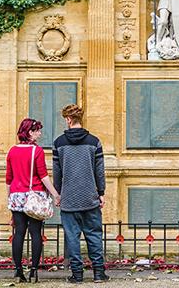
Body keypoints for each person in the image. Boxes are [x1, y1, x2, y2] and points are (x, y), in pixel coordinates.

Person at [52, 104, 109, 283]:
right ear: (80, 118)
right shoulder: (94, 142)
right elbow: (99, 170)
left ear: (68, 119)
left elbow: (57, 172)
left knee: (72, 237)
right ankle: (98, 273)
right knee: (94, 234)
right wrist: (101, 192)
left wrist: (58, 194)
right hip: (90, 197)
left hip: (69, 199)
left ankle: (77, 275)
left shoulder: (58, 143)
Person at [6, 118, 61, 283]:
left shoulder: (12, 151)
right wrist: (55, 194)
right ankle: (34, 271)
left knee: (19, 234)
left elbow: (9, 179)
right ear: (30, 132)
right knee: (35, 233)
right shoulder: (36, 151)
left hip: (16, 195)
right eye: (37, 130)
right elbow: (43, 176)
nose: (40, 133)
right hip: (34, 196)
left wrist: (10, 200)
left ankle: (18, 271)